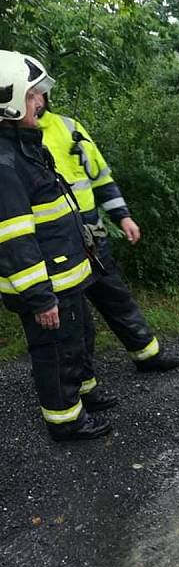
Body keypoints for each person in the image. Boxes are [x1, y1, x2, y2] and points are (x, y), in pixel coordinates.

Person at [0, 50, 112, 441]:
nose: (41, 102)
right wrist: (40, 297)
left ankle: (81, 398)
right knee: (55, 352)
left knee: (78, 339)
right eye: (33, 95)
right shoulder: (5, 162)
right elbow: (14, 240)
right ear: (10, 100)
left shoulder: (25, 146)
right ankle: (65, 421)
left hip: (65, 273)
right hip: (46, 284)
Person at [38, 104, 179, 378]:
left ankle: (147, 354)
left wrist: (123, 217)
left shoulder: (68, 127)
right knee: (72, 316)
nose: (36, 100)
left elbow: (100, 176)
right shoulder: (16, 139)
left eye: (39, 93)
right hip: (53, 240)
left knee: (115, 295)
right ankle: (76, 383)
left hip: (90, 231)